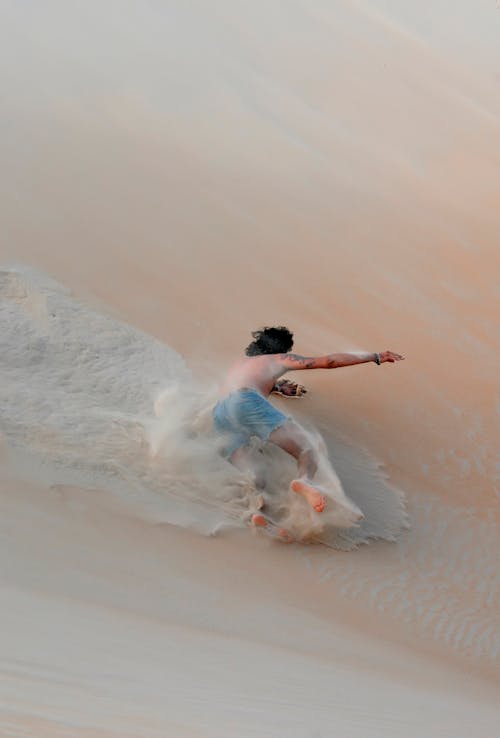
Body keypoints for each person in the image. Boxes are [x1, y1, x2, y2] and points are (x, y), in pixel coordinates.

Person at [213, 326, 404, 535]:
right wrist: (375, 356)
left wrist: (276, 387)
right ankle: (303, 480)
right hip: (246, 401)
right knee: (307, 449)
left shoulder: (239, 366)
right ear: (282, 349)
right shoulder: (276, 359)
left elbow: (243, 390)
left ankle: (256, 512)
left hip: (221, 414)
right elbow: (328, 362)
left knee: (256, 475)